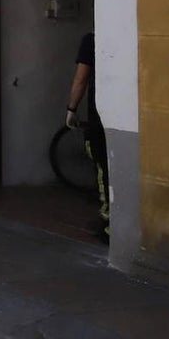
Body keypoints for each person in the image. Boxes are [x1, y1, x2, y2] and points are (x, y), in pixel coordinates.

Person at [65, 31, 109, 243]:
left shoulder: (91, 40)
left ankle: (108, 221)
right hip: (124, 113)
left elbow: (81, 79)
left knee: (102, 166)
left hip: (98, 115)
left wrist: (71, 109)